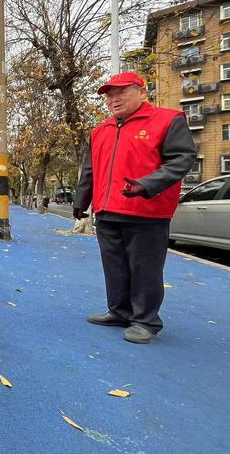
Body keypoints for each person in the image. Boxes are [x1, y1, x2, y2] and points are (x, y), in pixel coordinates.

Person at [73, 71, 196, 344]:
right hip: (107, 210)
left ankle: (146, 321)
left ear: (142, 92)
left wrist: (147, 184)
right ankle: (119, 312)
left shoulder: (167, 120)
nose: (114, 99)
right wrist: (82, 201)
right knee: (114, 265)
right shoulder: (100, 130)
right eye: (109, 95)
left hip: (147, 211)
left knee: (144, 267)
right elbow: (90, 170)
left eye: (121, 93)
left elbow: (182, 158)